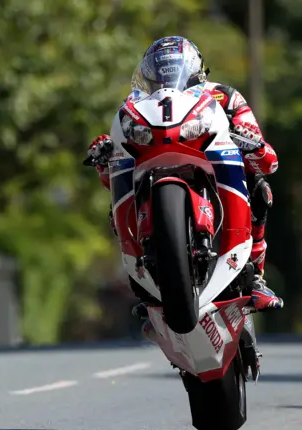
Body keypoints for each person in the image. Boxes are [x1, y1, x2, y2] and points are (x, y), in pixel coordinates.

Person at [86, 36, 283, 337]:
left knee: (260, 188)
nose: (166, 78)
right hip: (156, 167)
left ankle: (255, 275)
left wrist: (250, 140)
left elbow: (268, 160)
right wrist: (106, 157)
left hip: (214, 166)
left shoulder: (225, 97)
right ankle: (146, 283)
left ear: (197, 71)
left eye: (173, 70)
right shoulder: (139, 106)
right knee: (113, 212)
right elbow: (110, 179)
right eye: (159, 72)